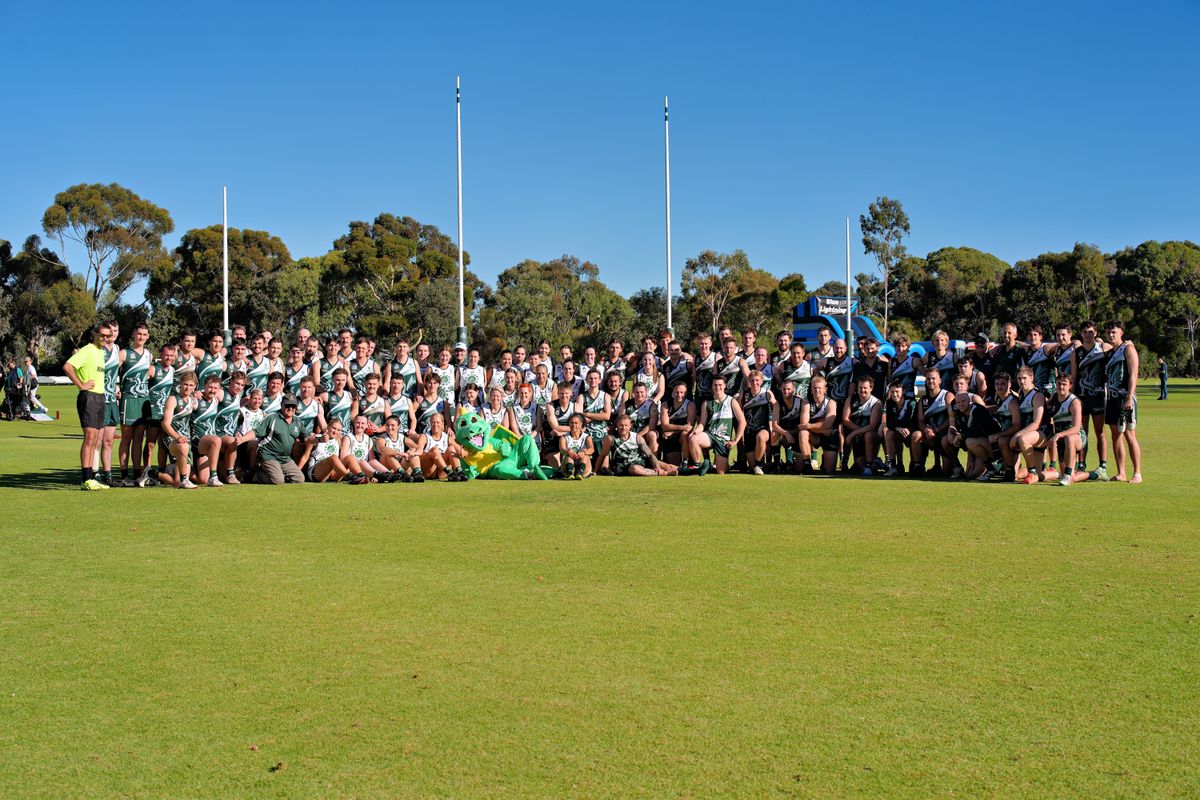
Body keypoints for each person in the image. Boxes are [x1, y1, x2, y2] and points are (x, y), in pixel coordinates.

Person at [63, 321, 114, 490]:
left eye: (108, 336)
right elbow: (67, 367)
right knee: (90, 438)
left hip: (100, 396)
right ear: (95, 335)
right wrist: (81, 385)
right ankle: (85, 479)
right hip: (89, 397)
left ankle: (92, 477)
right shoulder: (87, 350)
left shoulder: (100, 352)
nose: (105, 338)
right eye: (102, 335)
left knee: (96, 440)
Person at [1103, 320, 1143, 483]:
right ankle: (1121, 472)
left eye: (1114, 332)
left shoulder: (1128, 349)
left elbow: (1133, 374)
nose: (1111, 335)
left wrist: (1129, 397)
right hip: (1112, 398)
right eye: (1108, 332)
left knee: (1129, 435)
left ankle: (1137, 473)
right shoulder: (1109, 352)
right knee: (1115, 436)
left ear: (1121, 333)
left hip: (1125, 397)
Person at [686, 375, 745, 476]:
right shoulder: (706, 403)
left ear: (725, 385)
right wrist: (696, 431)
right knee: (693, 438)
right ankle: (699, 466)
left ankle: (721, 465)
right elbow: (702, 423)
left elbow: (742, 422)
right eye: (715, 385)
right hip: (710, 435)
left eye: (720, 385)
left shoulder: (732, 401)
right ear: (712, 386)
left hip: (723, 440)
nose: (717, 387)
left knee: (721, 472)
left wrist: (735, 440)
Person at [1074, 320, 1111, 479]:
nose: (1088, 335)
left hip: (1098, 396)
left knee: (1100, 432)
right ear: (1081, 333)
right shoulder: (1076, 353)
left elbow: (1119, 347)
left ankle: (1103, 465)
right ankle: (1081, 463)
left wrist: (1128, 343)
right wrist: (1073, 398)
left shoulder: (1103, 348)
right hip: (1082, 397)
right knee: (1083, 432)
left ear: (1095, 333)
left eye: (1091, 332)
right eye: (1085, 332)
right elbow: (1074, 377)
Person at [117, 323, 153, 486]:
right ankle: (124, 475)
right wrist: (116, 388)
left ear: (148, 336)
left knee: (139, 438)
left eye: (145, 334)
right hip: (129, 399)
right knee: (126, 438)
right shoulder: (124, 353)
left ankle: (137, 473)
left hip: (143, 400)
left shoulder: (149, 355)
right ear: (133, 334)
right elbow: (111, 371)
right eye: (139, 334)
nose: (141, 337)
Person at [140, 341, 177, 486]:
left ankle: (161, 472)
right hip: (153, 412)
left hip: (166, 413)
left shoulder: (172, 370)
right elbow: (140, 383)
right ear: (161, 354)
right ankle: (146, 472)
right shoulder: (153, 369)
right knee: (150, 443)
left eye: (172, 356)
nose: (169, 358)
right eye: (166, 355)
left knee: (163, 444)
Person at [254, 393, 309, 484]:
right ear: (281, 405)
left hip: (284, 457)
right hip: (268, 454)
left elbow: (307, 437)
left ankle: (277, 473)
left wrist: (320, 439)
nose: (290, 408)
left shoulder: (297, 421)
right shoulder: (272, 417)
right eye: (287, 405)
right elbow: (256, 432)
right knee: (278, 480)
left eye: (293, 406)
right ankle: (257, 475)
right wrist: (242, 439)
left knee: (299, 479)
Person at [598, 414, 678, 476]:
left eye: (626, 425)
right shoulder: (611, 438)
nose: (623, 428)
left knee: (668, 466)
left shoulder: (637, 437)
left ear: (630, 426)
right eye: (621, 425)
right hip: (624, 467)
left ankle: (682, 470)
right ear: (617, 426)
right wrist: (595, 471)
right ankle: (664, 473)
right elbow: (602, 455)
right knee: (635, 469)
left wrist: (658, 467)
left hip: (640, 461)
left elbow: (649, 454)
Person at [1042, 373, 1086, 487]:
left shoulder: (1074, 402)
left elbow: (1076, 428)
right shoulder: (1054, 397)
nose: (1061, 387)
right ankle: (1093, 474)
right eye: (1058, 384)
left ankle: (1067, 475)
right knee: (1072, 478)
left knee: (1069, 438)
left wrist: (1058, 435)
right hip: (1061, 438)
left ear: (1070, 385)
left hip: (1077, 436)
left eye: (1064, 384)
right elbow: (1046, 408)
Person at [1009, 367, 1050, 484]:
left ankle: (1032, 472)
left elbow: (1036, 423)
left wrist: (1017, 435)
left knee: (1023, 439)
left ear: (1031, 378)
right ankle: (1053, 473)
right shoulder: (1021, 394)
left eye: (1024, 378)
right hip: (1030, 433)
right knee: (1040, 475)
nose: (1022, 381)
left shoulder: (1037, 395)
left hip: (1042, 432)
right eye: (1019, 378)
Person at [159, 371, 200, 489]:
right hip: (171, 439)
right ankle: (184, 480)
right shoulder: (173, 399)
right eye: (185, 384)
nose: (188, 388)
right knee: (183, 447)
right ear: (180, 384)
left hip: (186, 439)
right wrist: (177, 437)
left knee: (175, 481)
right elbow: (165, 424)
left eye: (191, 385)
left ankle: (154, 473)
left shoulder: (193, 401)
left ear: (195, 386)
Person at [913, 368, 952, 477]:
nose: (931, 381)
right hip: (930, 435)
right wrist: (926, 429)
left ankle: (952, 465)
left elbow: (952, 418)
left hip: (945, 435)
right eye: (928, 379)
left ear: (939, 381)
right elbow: (920, 421)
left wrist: (938, 429)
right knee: (916, 435)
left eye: (933, 378)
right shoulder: (923, 400)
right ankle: (917, 466)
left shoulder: (947, 395)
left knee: (946, 472)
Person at [797, 374, 839, 474]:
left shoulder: (831, 403)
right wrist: (822, 427)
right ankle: (807, 464)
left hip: (829, 437)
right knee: (803, 433)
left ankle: (824, 459)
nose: (817, 390)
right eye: (814, 388)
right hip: (815, 436)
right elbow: (803, 424)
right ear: (811, 390)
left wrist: (810, 426)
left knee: (829, 470)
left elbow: (828, 424)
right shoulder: (806, 403)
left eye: (819, 388)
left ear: (825, 389)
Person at [842, 375, 883, 476]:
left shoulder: (876, 403)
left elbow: (872, 426)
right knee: (840, 428)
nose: (862, 390)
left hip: (870, 435)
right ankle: (844, 461)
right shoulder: (851, 399)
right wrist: (857, 432)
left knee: (868, 435)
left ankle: (870, 464)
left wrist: (855, 433)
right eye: (860, 387)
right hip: (857, 434)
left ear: (871, 388)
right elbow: (845, 419)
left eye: (865, 388)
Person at [740, 369, 776, 475]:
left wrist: (774, 422)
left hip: (762, 428)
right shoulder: (744, 394)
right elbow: (739, 412)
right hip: (748, 430)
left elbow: (776, 406)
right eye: (752, 380)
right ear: (749, 381)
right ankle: (771, 466)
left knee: (760, 437)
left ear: (761, 381)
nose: (754, 383)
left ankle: (759, 464)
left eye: (757, 380)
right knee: (752, 468)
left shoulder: (766, 393)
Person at [576, 368, 612, 467]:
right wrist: (599, 416)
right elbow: (579, 419)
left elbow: (607, 416)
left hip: (602, 433)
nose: (593, 380)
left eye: (596, 378)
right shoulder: (581, 397)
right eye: (590, 378)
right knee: (586, 468)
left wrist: (587, 414)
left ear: (600, 380)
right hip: (586, 433)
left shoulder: (605, 396)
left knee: (604, 469)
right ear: (587, 380)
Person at [881, 380, 917, 477]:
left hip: (911, 432)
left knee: (915, 435)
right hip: (899, 431)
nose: (894, 394)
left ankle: (915, 464)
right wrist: (898, 428)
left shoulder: (911, 403)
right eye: (892, 392)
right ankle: (893, 466)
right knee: (889, 433)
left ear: (903, 391)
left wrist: (908, 429)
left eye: (897, 391)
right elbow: (889, 423)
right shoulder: (889, 403)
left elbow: (914, 421)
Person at [769, 378, 804, 473]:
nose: (786, 391)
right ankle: (777, 464)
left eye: (788, 389)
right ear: (781, 389)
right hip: (784, 432)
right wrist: (787, 433)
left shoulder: (800, 402)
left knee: (799, 469)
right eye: (784, 389)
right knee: (774, 433)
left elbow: (803, 424)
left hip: (797, 432)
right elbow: (774, 425)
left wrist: (792, 433)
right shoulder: (777, 404)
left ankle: (794, 461)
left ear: (793, 390)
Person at [659, 381, 696, 467]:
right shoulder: (665, 405)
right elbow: (665, 426)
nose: (679, 395)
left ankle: (685, 461)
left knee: (685, 434)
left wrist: (672, 432)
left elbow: (689, 427)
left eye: (682, 392)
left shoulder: (690, 405)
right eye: (677, 392)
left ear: (686, 393)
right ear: (672, 393)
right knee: (674, 464)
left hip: (680, 436)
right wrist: (682, 427)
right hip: (669, 437)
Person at [543, 381, 579, 469]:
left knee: (570, 462)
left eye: (566, 393)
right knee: (555, 467)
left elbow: (579, 427)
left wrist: (561, 433)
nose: (564, 396)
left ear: (571, 394)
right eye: (561, 393)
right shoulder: (550, 405)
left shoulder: (575, 406)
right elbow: (555, 427)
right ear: (558, 393)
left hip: (568, 436)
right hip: (553, 437)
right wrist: (572, 429)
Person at [624, 381, 660, 456]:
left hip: (645, 433)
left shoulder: (651, 404)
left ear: (646, 392)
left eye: (642, 392)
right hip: (630, 432)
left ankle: (653, 460)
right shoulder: (627, 404)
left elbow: (651, 426)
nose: (639, 394)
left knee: (652, 435)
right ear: (633, 392)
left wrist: (638, 436)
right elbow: (621, 420)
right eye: (637, 392)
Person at [558, 413, 594, 479]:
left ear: (581, 424)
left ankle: (580, 473)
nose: (573, 425)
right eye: (571, 423)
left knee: (585, 456)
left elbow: (591, 449)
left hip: (583, 465)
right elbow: (562, 449)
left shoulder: (587, 437)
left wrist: (584, 452)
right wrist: (568, 452)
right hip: (568, 464)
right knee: (568, 457)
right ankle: (570, 474)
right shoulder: (563, 437)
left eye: (576, 423)